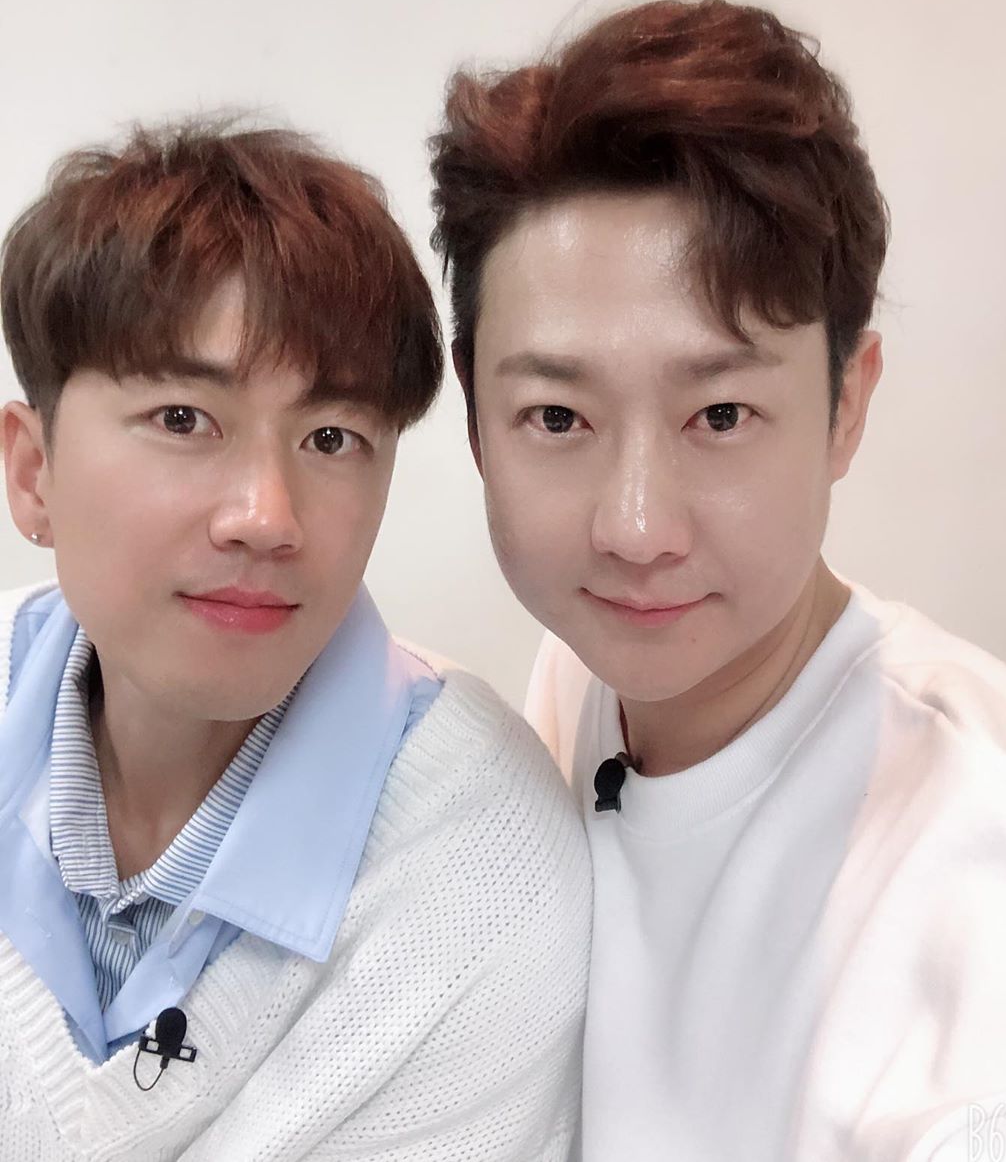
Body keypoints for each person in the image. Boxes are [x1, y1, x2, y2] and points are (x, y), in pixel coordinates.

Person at [429, 0, 1006, 1160]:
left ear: (846, 405)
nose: (636, 530)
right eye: (559, 416)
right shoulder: (580, 676)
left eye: (721, 414)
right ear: (475, 416)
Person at [0, 122, 590, 1160]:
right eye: (183, 419)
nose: (267, 517)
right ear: (32, 470)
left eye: (331, 438)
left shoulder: (480, 867)